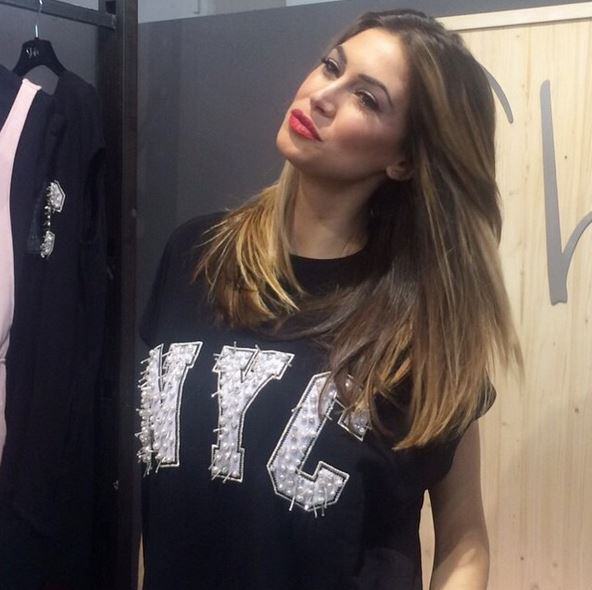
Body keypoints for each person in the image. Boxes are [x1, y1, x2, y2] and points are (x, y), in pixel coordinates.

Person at [137, 9, 521, 590]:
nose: (322, 96)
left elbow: (464, 537)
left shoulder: (420, 325)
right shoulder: (196, 253)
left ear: (404, 159)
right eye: (331, 67)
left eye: (366, 98)